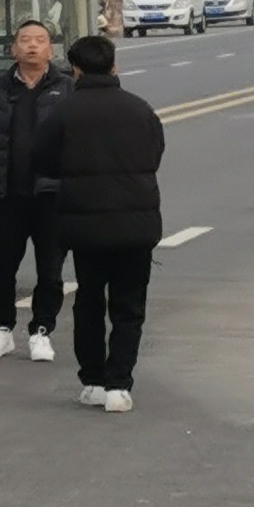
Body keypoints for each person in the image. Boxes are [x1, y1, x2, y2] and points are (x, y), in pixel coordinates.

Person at [31, 31, 165, 414]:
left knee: (89, 301)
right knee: (129, 306)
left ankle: (92, 380)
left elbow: (41, 160)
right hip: (136, 224)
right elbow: (154, 155)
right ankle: (119, 386)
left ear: (74, 69)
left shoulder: (64, 113)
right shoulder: (140, 109)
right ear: (114, 65)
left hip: (84, 225)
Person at [0, 17, 67, 363]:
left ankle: (42, 331)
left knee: (50, 268)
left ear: (50, 48)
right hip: (8, 194)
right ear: (13, 48)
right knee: (2, 266)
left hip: (52, 195)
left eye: (40, 40)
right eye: (25, 40)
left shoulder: (65, 88)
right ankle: (2, 329)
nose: (32, 46)